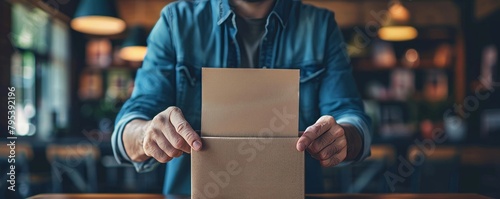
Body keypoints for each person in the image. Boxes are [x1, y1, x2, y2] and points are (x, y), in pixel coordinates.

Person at [111, 0, 371, 195]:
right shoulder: (175, 22)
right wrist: (146, 134)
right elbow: (130, 124)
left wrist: (343, 136)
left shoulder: (320, 26)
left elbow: (351, 118)